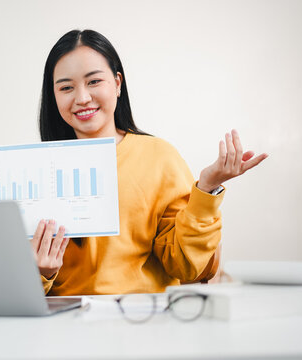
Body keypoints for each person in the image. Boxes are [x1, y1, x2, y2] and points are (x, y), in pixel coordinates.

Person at [30, 29, 268, 295]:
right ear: (53, 96)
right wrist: (42, 273)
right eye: (66, 87)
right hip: (63, 324)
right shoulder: (34, 171)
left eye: (94, 81)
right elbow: (12, 289)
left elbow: (185, 265)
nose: (82, 97)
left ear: (118, 83)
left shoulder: (159, 158)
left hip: (142, 320)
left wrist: (207, 188)